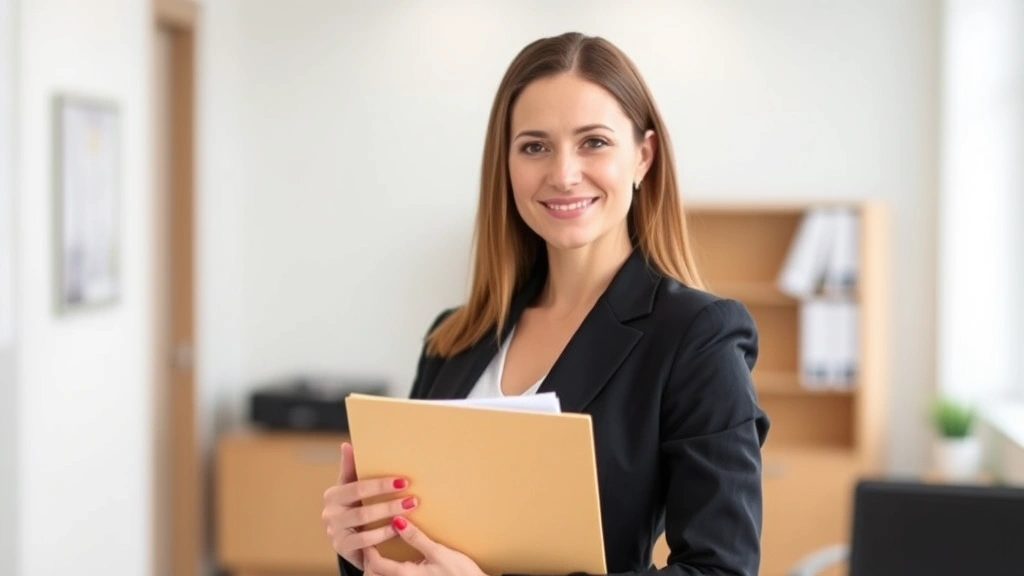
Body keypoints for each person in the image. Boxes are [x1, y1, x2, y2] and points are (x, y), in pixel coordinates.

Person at [321, 31, 770, 576]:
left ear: (643, 157)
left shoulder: (696, 337)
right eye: (534, 146)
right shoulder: (454, 337)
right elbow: (415, 548)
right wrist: (362, 546)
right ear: (506, 165)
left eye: (594, 142)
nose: (562, 174)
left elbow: (720, 570)